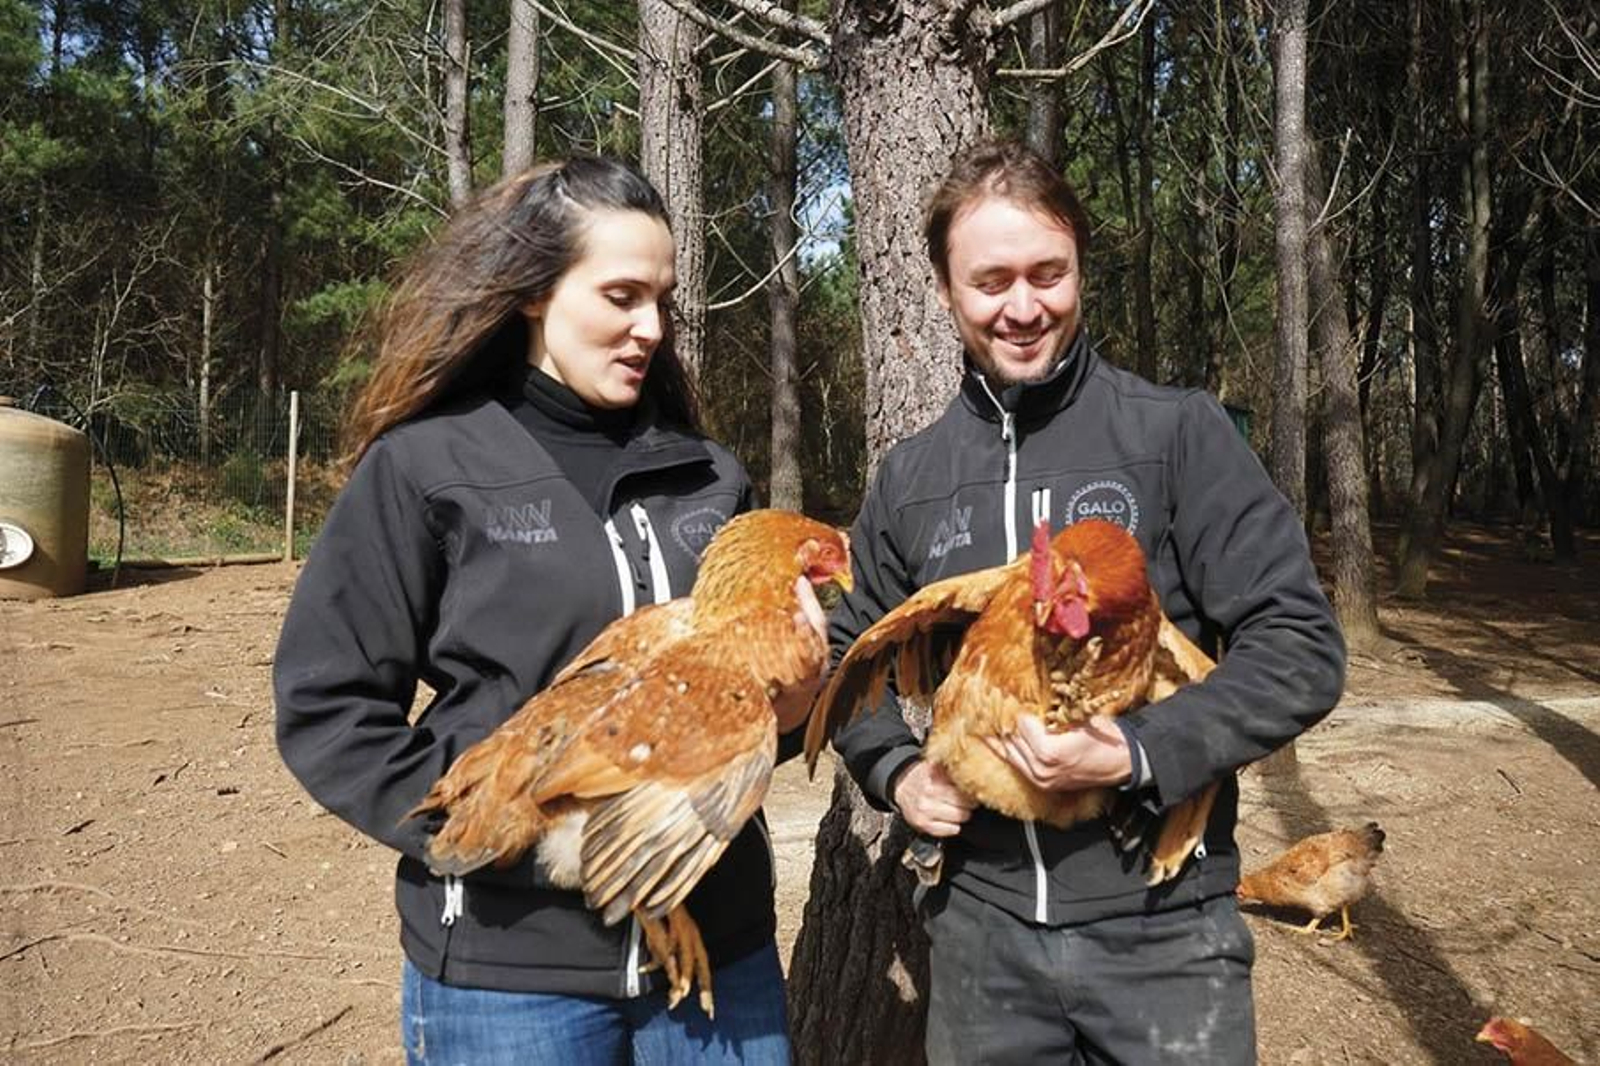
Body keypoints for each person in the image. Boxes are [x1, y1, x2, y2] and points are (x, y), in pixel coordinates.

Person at [274, 155, 810, 1065]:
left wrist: (793, 707)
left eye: (663, 301)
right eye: (620, 296)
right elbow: (330, 708)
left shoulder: (711, 477)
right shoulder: (428, 466)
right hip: (510, 967)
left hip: (715, 950)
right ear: (533, 294)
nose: (651, 328)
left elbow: (738, 713)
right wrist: (494, 830)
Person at [829, 138, 1347, 1064]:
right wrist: (896, 774)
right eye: (991, 281)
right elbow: (848, 654)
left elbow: (1301, 646)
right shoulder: (912, 478)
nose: (1024, 307)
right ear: (946, 293)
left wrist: (1139, 750)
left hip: (1163, 928)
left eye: (1048, 273)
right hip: (978, 933)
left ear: (1081, 272)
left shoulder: (1175, 435)